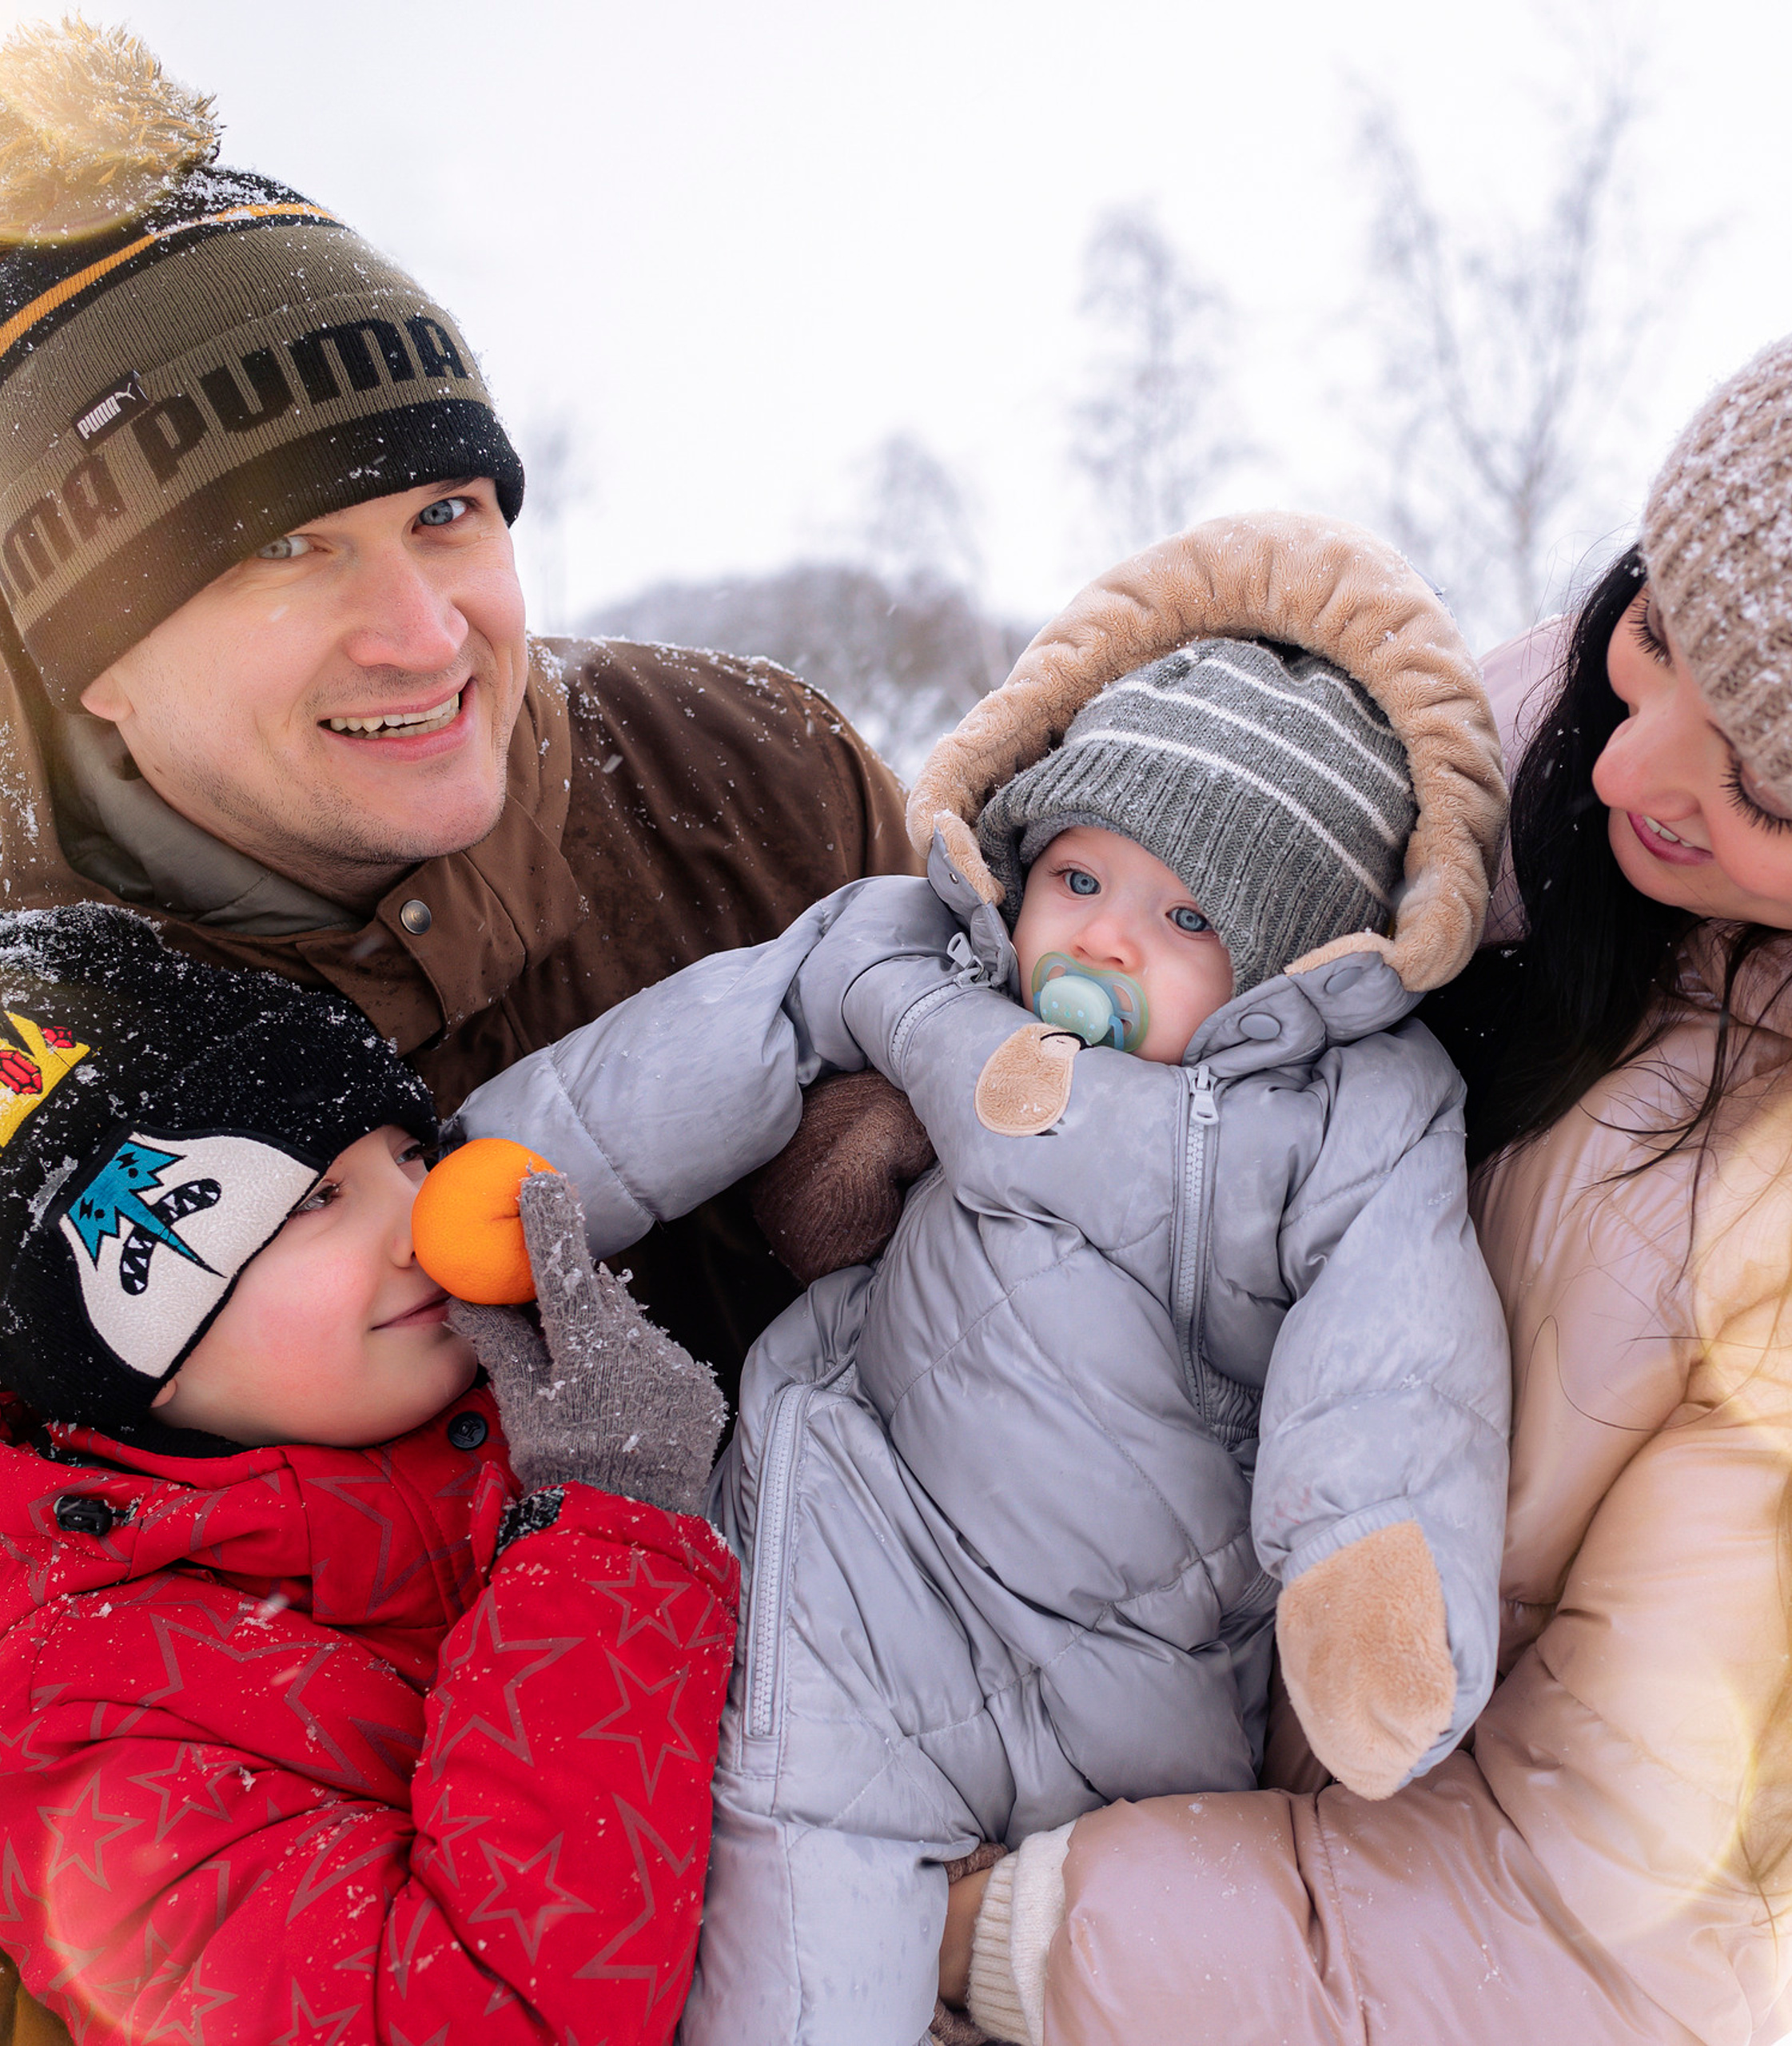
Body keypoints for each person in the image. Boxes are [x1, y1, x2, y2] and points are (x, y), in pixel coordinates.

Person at [926, 269, 1792, 2046]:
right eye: (1662, 630)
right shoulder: (1414, 788)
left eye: (1765, 785)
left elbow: (1596, 1931)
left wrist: (1012, 1925)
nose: (1628, 766)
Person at [452, 533, 1515, 2045]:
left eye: (1186, 920)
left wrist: (1369, 1580)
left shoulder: (1351, 1109)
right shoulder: (926, 974)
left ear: (1291, 965)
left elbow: (1396, 1355)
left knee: (1109, 1974)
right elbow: (728, 1033)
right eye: (1079, 876)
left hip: (1142, 1658)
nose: (1099, 937)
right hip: (866, 1585)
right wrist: (522, 1172)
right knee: (799, 1929)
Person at [0, 18, 923, 1407]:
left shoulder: (756, 782)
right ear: (91, 662)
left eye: (445, 515)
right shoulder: (32, 1015)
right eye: (280, 552)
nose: (426, 638)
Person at [0, 904, 737, 2044]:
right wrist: (611, 1532)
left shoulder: (531, 1388)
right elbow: (460, 2020)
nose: (424, 1222)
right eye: (312, 1201)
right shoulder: (86, 1716)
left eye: (407, 1155)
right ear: (120, 1341)